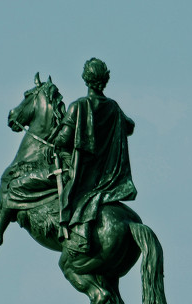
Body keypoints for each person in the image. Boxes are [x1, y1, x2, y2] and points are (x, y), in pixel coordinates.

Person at [51, 57, 137, 257]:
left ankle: (77, 234)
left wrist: (57, 132)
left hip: (86, 176)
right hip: (111, 178)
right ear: (105, 80)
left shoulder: (78, 106)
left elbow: (62, 140)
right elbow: (130, 126)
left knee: (66, 196)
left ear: (85, 79)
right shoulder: (114, 108)